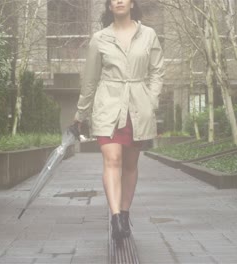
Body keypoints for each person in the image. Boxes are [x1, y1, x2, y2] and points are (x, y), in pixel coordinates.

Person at [74, 0, 164, 242]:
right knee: (112, 160)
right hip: (108, 107)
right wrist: (81, 112)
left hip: (137, 107)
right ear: (109, 6)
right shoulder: (99, 39)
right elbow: (90, 80)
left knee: (130, 165)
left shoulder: (149, 35)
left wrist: (151, 100)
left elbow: (157, 71)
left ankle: (124, 213)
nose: (120, 0)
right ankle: (115, 218)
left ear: (132, 3)